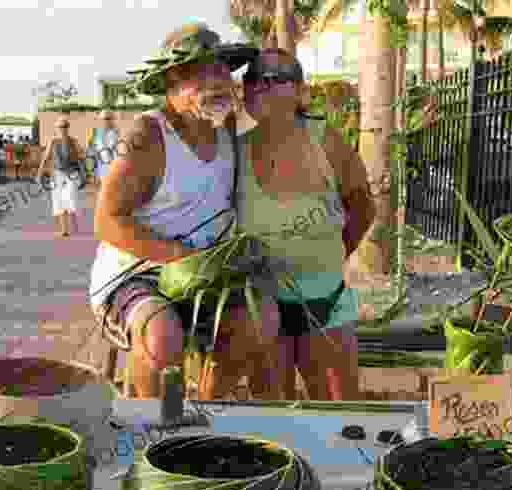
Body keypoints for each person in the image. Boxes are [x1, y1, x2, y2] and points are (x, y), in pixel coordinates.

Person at [88, 23, 284, 400]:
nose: (219, 81)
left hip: (206, 270)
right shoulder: (148, 136)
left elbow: (282, 121)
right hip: (138, 273)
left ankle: (204, 409)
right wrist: (181, 257)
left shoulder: (228, 124)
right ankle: (150, 427)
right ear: (172, 82)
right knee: (163, 337)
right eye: (202, 72)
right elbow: (106, 221)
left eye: (222, 69)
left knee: (261, 320)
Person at [239, 49, 376, 400]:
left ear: (299, 90)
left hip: (325, 302)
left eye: (271, 80)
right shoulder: (235, 152)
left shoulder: (326, 141)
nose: (258, 89)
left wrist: (332, 256)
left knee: (337, 416)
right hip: (262, 308)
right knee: (271, 419)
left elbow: (362, 208)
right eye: (251, 81)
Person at [36, 116, 84, 237]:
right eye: (61, 127)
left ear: (68, 128)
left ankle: (73, 224)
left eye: (65, 126)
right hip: (58, 175)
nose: (63, 129)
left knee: (71, 198)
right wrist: (39, 173)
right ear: (57, 128)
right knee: (59, 201)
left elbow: (81, 158)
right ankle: (65, 229)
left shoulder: (73, 141)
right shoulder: (53, 141)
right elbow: (46, 158)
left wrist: (84, 174)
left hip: (72, 174)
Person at [88, 110, 119, 185]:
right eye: (105, 119)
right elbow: (91, 150)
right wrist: (92, 170)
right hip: (101, 165)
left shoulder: (116, 132)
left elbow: (118, 149)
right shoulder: (95, 132)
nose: (106, 121)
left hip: (113, 165)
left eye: (109, 118)